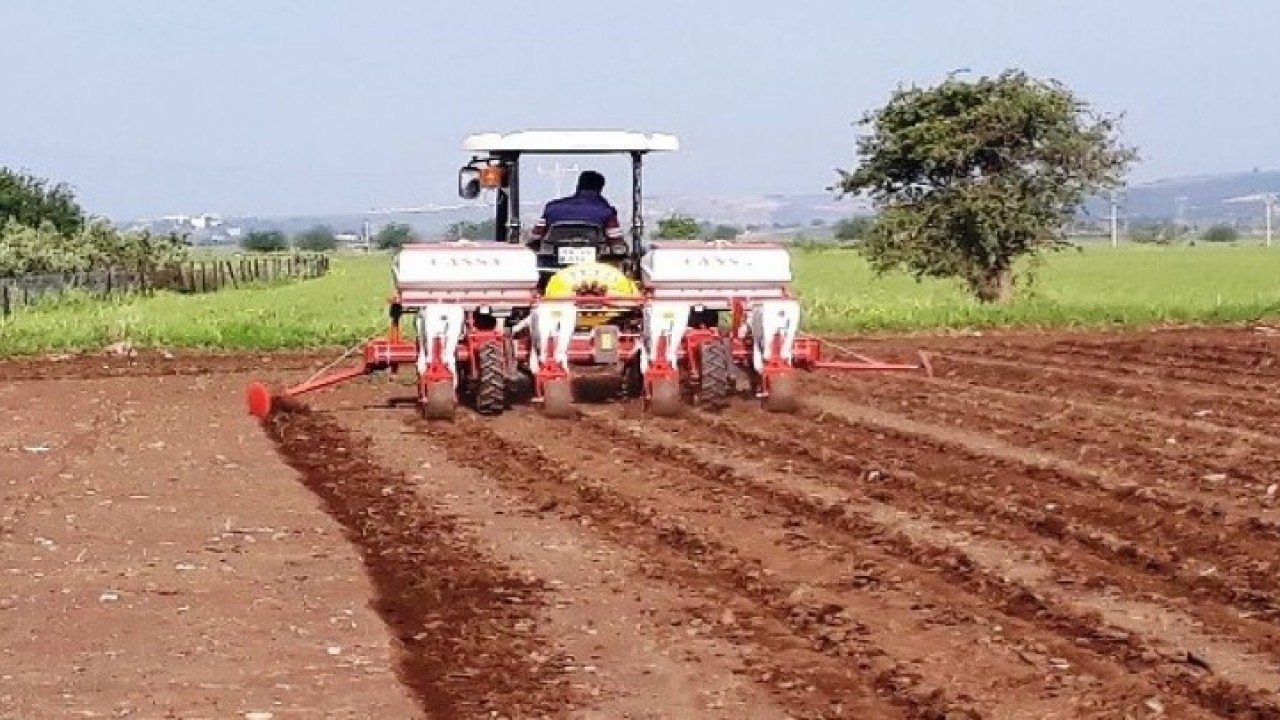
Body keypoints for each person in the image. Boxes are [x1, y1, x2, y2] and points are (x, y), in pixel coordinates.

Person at [528, 170, 624, 245]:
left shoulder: (552, 208)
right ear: (600, 188)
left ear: (579, 186)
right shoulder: (606, 211)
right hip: (595, 264)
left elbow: (536, 237)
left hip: (553, 262)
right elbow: (615, 240)